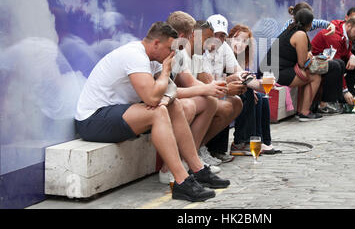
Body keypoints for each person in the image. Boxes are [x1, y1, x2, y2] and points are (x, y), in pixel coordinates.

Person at [74, 22, 229, 202]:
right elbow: (152, 98)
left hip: (116, 113)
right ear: (155, 44)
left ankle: (198, 169)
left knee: (174, 106)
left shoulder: (153, 59)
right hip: (92, 120)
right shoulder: (134, 56)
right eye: (169, 48)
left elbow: (169, 92)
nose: (173, 53)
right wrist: (165, 73)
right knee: (158, 112)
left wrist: (164, 93)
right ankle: (182, 181)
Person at [166, 12, 244, 170]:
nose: (210, 44)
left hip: (180, 98)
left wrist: (227, 87)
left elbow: (205, 82)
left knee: (233, 102)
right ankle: (190, 157)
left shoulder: (197, 55)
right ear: (193, 35)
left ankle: (194, 154)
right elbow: (191, 84)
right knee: (211, 102)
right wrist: (225, 88)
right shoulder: (181, 53)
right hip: (173, 101)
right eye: (208, 39)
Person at [227, 24, 281, 155]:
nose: (240, 44)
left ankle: (264, 142)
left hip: (237, 90)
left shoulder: (240, 59)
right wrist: (253, 87)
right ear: (229, 39)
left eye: (244, 41)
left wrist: (257, 86)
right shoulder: (226, 54)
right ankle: (241, 142)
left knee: (262, 98)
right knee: (252, 95)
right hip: (226, 91)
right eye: (237, 39)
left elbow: (244, 77)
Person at [263, 9, 323, 121]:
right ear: (310, 24)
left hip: (271, 69)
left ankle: (301, 110)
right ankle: (304, 112)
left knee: (309, 75)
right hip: (276, 73)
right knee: (315, 76)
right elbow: (302, 63)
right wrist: (309, 57)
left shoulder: (290, 29)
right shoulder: (300, 34)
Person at [311, 14, 355, 113]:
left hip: (330, 61)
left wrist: (351, 56)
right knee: (338, 64)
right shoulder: (334, 36)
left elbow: (343, 51)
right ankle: (328, 101)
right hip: (316, 64)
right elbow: (336, 61)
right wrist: (344, 90)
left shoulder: (343, 29)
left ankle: (345, 97)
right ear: (349, 26)